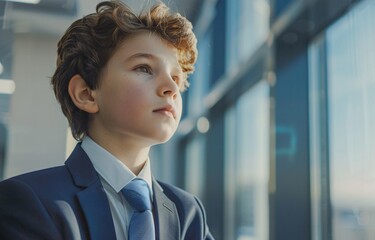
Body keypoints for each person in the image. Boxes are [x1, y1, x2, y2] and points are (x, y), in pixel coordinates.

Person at [0, 1, 214, 239]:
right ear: (86, 93)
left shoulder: (188, 212)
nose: (171, 87)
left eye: (176, 76)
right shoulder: (30, 201)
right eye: (144, 68)